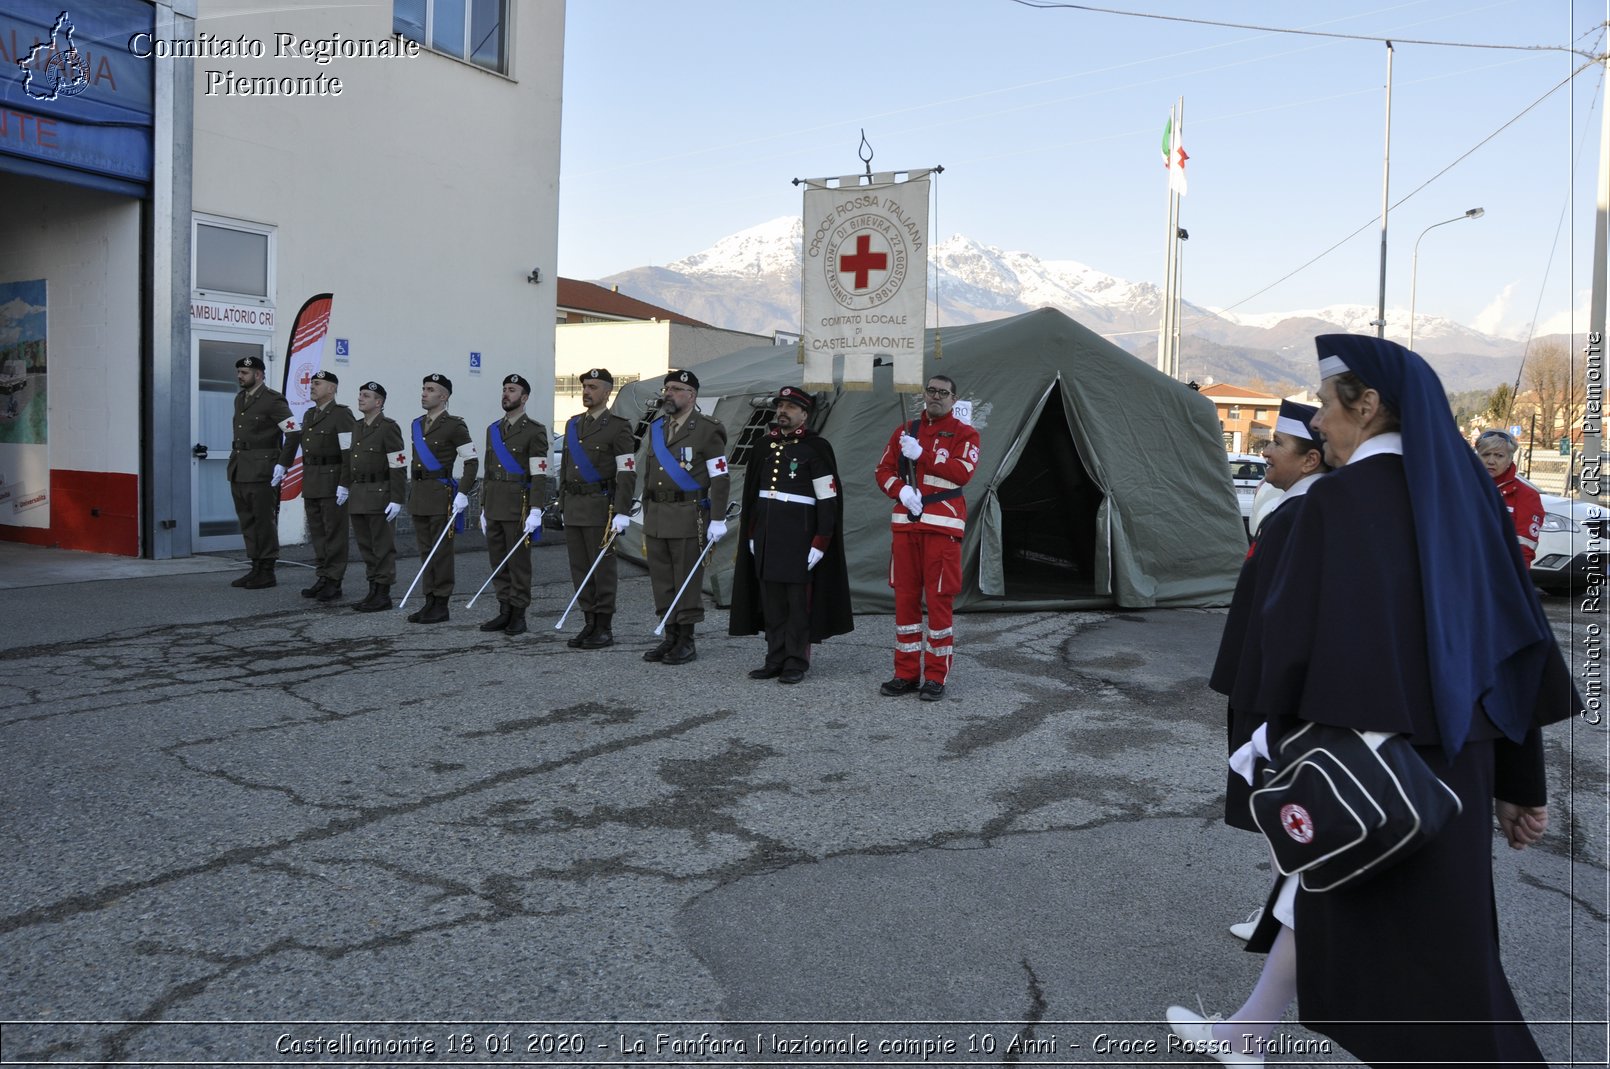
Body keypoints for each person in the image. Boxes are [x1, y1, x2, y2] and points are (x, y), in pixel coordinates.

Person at [1174, 334, 1578, 1067]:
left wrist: (1265, 754)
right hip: (1454, 776)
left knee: (1428, 991)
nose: (1319, 423)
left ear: (1367, 406)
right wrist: (1521, 784)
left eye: (1327, 406)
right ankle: (1247, 1031)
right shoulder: (1473, 505)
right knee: (1441, 962)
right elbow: (1516, 648)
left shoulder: (1331, 505)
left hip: (1359, 777)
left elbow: (1283, 651)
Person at [1168, 401, 1330, 1061]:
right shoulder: (1290, 506)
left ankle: (1246, 1033)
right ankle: (1252, 1011)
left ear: (1312, 456)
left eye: (1278, 446)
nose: (1265, 454)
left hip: (1275, 692)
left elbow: (1285, 619)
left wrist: (1268, 708)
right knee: (1300, 844)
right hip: (1264, 684)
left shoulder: (1305, 513)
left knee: (1296, 828)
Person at [728, 386, 853, 683]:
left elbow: (828, 499)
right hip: (767, 535)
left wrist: (821, 541)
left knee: (797, 602)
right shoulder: (762, 446)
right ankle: (775, 658)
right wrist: (751, 534)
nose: (782, 411)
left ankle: (796, 660)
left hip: (799, 536)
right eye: (780, 405)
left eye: (791, 407)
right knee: (771, 602)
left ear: (804, 415)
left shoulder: (815, 448)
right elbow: (753, 497)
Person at [873, 374, 980, 702]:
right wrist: (902, 490)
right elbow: (883, 471)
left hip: (942, 527)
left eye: (943, 393)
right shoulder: (904, 431)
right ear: (924, 394)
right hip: (906, 526)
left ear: (953, 398)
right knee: (905, 600)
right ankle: (905, 673)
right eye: (931, 391)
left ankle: (935, 676)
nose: (936, 397)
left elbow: (962, 473)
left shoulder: (966, 434)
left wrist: (922, 455)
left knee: (938, 603)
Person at [636, 369, 729, 665]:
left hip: (690, 516)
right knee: (662, 579)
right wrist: (645, 510)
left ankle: (686, 640)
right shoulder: (657, 428)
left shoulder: (707, 428)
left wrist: (717, 517)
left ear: (692, 396)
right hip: (658, 515)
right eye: (667, 388)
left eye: (676, 389)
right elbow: (650, 474)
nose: (669, 394)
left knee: (685, 580)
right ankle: (670, 635)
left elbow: (720, 477)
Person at [559, 368, 638, 650]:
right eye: (584, 386)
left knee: (601, 568)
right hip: (574, 505)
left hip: (600, 508)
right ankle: (588, 622)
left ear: (607, 392)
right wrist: (561, 503)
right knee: (580, 567)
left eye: (593, 387)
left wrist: (622, 510)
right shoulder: (572, 425)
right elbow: (565, 470)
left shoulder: (618, 426)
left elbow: (626, 472)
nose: (586, 391)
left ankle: (604, 626)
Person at [477, 374, 549, 636]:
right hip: (495, 503)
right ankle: (503, 610)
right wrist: (483, 507)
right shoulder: (493, 430)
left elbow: (539, 473)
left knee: (518, 563)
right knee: (498, 561)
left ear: (525, 397)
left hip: (518, 506)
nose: (506, 394)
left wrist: (536, 509)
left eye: (512, 390)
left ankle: (518, 613)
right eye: (505, 389)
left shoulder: (534, 430)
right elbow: (488, 470)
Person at [406, 373, 477, 625]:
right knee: (426, 551)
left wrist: (462, 493)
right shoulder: (416, 423)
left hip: (441, 496)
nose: (424, 393)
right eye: (423, 388)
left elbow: (471, 461)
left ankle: (441, 604)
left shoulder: (454, 425)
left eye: (430, 389)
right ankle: (429, 600)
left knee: (441, 552)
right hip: (420, 494)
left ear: (443, 396)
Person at [227, 355, 298, 589]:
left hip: (262, 469)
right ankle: (255, 566)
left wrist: (283, 463)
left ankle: (267, 570)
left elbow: (294, 432)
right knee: (247, 520)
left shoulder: (272, 400)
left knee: (263, 521)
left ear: (258, 374)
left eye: (244, 373)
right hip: (240, 467)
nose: (239, 376)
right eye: (238, 372)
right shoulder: (240, 399)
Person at [296, 370, 356, 603]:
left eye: (317, 384)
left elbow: (349, 452)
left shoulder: (341, 415)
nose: (312, 387)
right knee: (319, 534)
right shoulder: (310, 415)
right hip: (312, 480)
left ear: (331, 389)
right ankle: (322, 576)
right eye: (312, 383)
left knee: (334, 533)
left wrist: (344, 483)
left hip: (332, 481)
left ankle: (334, 580)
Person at [347, 381, 407, 612]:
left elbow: (398, 464)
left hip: (379, 494)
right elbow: (349, 460)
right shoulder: (357, 426)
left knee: (382, 546)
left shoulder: (388, 427)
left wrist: (396, 498)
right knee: (366, 546)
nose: (361, 398)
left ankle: (383, 593)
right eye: (360, 394)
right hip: (359, 493)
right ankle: (372, 589)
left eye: (366, 395)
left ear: (378, 402)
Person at [1475, 428, 1545, 566]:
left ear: (1510, 460)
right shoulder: (1461, 487)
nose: (1491, 461)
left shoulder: (1527, 496)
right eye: (1485, 454)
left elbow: (1524, 548)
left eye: (1499, 456)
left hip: (1498, 574)